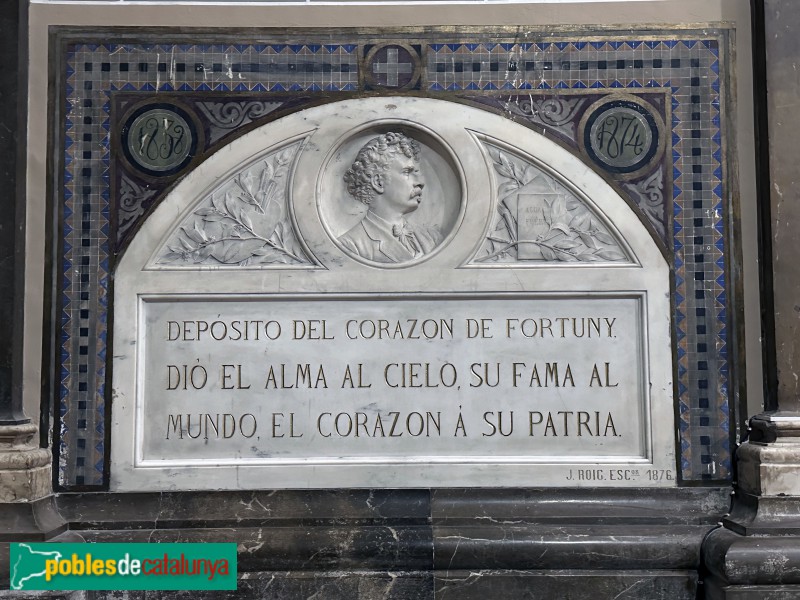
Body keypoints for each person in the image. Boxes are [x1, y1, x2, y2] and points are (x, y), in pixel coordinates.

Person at [338, 132, 441, 263]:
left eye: (416, 172)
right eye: (407, 172)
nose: (420, 182)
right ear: (378, 182)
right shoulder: (350, 246)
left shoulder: (432, 238)